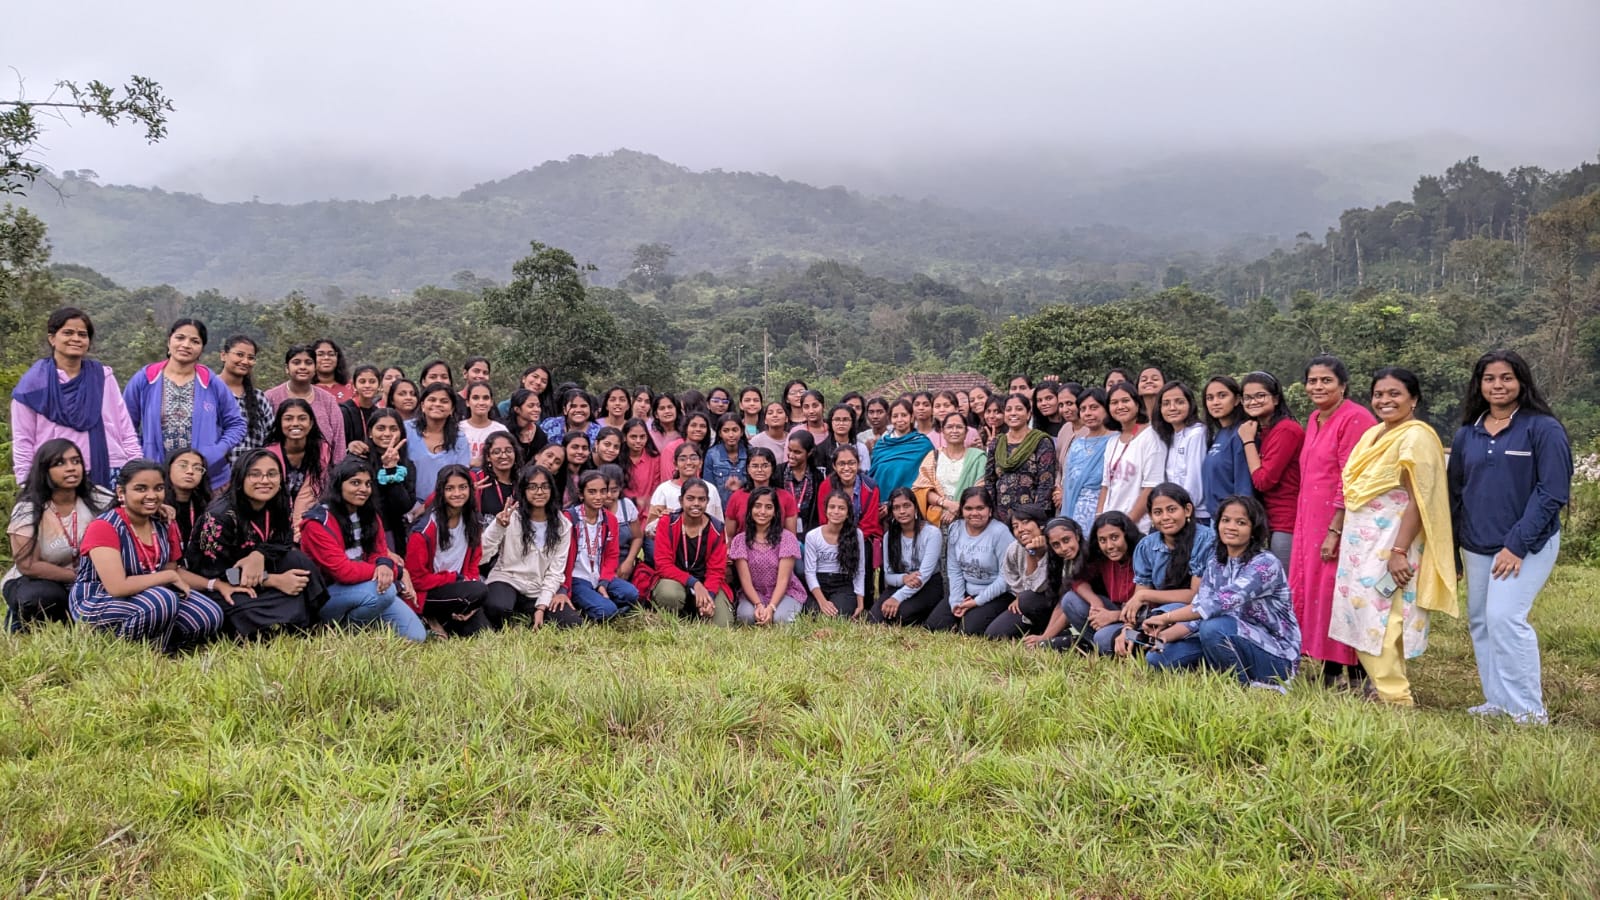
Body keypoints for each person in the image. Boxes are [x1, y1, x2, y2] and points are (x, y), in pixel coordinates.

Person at [1449, 350, 1571, 725]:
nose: (1497, 385)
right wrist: (1452, 549)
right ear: (1479, 384)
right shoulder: (1468, 433)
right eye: (1489, 378)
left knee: (1505, 618)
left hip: (1526, 544)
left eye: (1506, 378)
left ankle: (1529, 711)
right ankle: (1497, 701)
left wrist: (1516, 544)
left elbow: (1552, 492)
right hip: (1477, 543)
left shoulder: (1542, 428)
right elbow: (1455, 494)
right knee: (1481, 620)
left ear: (1521, 382)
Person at [1329, 368, 1457, 707]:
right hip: (1361, 544)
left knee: (1384, 618)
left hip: (1392, 541)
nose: (1385, 400)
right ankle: (1387, 690)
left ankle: (1396, 698)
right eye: (1379, 394)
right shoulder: (1373, 435)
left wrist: (1399, 550)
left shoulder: (1417, 437)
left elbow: (1420, 499)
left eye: (1394, 393)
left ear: (1413, 399)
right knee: (1362, 613)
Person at [1140, 495, 1301, 688]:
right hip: (1229, 636)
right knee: (1158, 658)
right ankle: (1217, 666)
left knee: (1213, 627)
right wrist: (1164, 636)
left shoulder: (1265, 564)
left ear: (1253, 530)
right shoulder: (1216, 562)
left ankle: (1238, 687)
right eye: (1225, 520)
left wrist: (1166, 618)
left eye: (1240, 522)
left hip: (1276, 656)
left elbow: (1216, 604)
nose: (1231, 527)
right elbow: (1198, 613)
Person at [69, 459, 224, 653]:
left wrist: (207, 583)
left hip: (151, 594)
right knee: (161, 601)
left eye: (158, 488)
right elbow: (117, 587)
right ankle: (116, 647)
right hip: (99, 597)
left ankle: (161, 646)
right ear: (121, 493)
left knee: (209, 613)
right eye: (141, 489)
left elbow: (170, 568)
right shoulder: (105, 526)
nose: (152, 495)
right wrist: (168, 577)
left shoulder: (164, 522)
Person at [1289, 356, 1377, 690]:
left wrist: (1335, 529)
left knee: (1338, 594)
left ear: (1343, 385)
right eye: (1312, 381)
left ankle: (1357, 675)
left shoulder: (1356, 418)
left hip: (1341, 521)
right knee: (1315, 593)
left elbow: (1350, 477)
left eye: (1326, 381)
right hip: (1309, 519)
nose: (1318, 387)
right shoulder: (1314, 418)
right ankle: (1328, 669)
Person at [184, 448, 323, 640]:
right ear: (241, 478)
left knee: (298, 561)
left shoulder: (278, 501)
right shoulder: (219, 516)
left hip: (257, 570)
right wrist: (273, 580)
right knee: (244, 608)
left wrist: (258, 555)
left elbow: (284, 539)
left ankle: (309, 619)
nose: (264, 481)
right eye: (255, 474)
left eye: (272, 474)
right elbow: (214, 572)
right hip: (220, 584)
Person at [11, 307, 142, 489]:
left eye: (82, 334)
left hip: (109, 469)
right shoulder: (33, 385)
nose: (76, 339)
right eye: (68, 332)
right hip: (55, 474)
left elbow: (125, 429)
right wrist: (25, 484)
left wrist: (136, 470)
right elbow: (23, 439)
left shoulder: (102, 377)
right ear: (52, 338)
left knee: (106, 519)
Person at [299, 459, 426, 641]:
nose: (363, 489)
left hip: (365, 587)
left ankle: (362, 622)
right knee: (386, 592)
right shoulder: (317, 522)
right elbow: (343, 572)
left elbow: (379, 552)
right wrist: (392, 571)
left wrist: (384, 564)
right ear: (338, 485)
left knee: (416, 637)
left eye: (367, 484)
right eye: (355, 483)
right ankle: (344, 633)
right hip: (325, 595)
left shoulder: (369, 515)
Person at [123, 319, 247, 490]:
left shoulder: (211, 382)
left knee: (206, 517)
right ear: (169, 341)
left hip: (207, 479)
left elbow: (237, 424)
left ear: (202, 348)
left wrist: (216, 451)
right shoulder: (146, 378)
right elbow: (125, 426)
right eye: (180, 338)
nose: (186, 345)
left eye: (195, 341)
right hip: (156, 477)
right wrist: (140, 456)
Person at [3, 439, 111, 631]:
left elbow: (132, 507)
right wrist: (76, 577)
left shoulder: (97, 498)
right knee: (37, 598)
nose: (71, 468)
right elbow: (28, 565)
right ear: (44, 470)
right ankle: (21, 622)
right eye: (60, 463)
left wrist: (161, 508)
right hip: (39, 580)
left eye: (76, 461)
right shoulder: (29, 508)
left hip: (88, 582)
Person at [1114, 483, 1216, 669]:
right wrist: (1126, 629)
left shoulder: (1206, 540)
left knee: (1156, 659)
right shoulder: (1147, 546)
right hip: (1157, 621)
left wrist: (1146, 596)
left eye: (1171, 509)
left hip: (1193, 616)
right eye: (1158, 512)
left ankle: (1198, 652)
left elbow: (1195, 596)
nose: (1165, 517)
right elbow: (1138, 601)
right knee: (1106, 639)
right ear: (1151, 517)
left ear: (1187, 510)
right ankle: (1151, 641)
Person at [481, 465, 581, 629]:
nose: (539, 492)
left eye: (544, 486)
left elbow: (556, 571)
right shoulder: (511, 516)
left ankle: (530, 611)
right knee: (497, 607)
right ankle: (513, 608)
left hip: (538, 587)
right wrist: (498, 527)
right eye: (532, 487)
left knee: (571, 623)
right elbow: (482, 555)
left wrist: (542, 606)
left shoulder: (563, 525)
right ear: (523, 491)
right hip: (507, 579)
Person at [405, 465, 491, 638]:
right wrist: (455, 579)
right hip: (427, 592)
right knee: (479, 591)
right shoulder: (424, 531)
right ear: (441, 492)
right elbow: (416, 581)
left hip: (458, 588)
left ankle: (445, 619)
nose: (457, 493)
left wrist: (469, 594)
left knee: (482, 632)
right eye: (450, 488)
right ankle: (430, 617)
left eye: (463, 487)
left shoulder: (474, 522)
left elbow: (474, 564)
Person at [925, 486, 1016, 635]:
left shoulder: (1000, 533)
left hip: (996, 593)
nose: (974, 513)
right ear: (961, 510)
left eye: (980, 508)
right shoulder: (956, 528)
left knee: (969, 629)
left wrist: (976, 602)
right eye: (968, 508)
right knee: (935, 625)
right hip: (966, 591)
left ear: (990, 510)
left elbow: (1006, 578)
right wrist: (956, 600)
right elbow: (954, 570)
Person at [1237, 371, 1302, 564]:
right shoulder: (1264, 430)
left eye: (1260, 396)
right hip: (1270, 519)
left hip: (1286, 520)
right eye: (1248, 397)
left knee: (1284, 585)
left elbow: (1263, 480)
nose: (1253, 401)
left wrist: (1247, 441)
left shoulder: (1286, 430)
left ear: (1275, 399)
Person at [650, 479, 734, 626]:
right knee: (669, 594)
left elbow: (716, 571)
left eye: (701, 499)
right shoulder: (667, 522)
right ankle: (679, 613)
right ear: (681, 501)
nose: (696, 503)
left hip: (707, 582)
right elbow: (663, 565)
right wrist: (694, 583)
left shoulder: (717, 528)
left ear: (707, 502)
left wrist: (710, 596)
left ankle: (701, 608)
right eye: (690, 498)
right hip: (674, 580)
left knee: (723, 624)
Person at [563, 470, 642, 621]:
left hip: (600, 575)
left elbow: (612, 555)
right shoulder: (569, 518)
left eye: (603, 491)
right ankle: (595, 606)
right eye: (592, 492)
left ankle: (599, 602)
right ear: (581, 495)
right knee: (607, 611)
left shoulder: (610, 519)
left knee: (631, 594)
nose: (598, 497)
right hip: (576, 577)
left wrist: (603, 583)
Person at [1064, 512, 1143, 654]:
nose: (1109, 546)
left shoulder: (1142, 554)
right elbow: (1077, 580)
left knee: (1102, 637)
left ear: (1126, 534)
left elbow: (1149, 609)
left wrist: (1113, 616)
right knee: (1070, 600)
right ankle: (1100, 646)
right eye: (1102, 540)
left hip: (1142, 622)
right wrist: (1096, 603)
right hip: (1116, 615)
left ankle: (1113, 645)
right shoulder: (1101, 556)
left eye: (1114, 537)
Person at [1022, 516, 1103, 650]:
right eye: (1056, 545)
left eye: (1066, 540)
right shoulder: (1066, 562)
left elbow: (1070, 604)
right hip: (1079, 616)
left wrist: (1046, 638)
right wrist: (1046, 635)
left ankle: (1088, 642)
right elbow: (1061, 603)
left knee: (1047, 645)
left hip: (1097, 616)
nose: (1063, 548)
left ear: (1077, 535)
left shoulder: (1089, 559)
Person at [730, 486, 806, 625]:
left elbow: (783, 580)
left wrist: (771, 607)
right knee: (746, 617)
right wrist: (758, 604)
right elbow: (745, 581)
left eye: (769, 507)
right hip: (754, 594)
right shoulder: (740, 540)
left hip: (785, 593)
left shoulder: (787, 538)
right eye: (757, 506)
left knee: (780, 620)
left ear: (775, 512)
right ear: (750, 509)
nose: (762, 512)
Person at [871, 487, 945, 626]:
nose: (902, 511)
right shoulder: (889, 536)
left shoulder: (932, 533)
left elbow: (924, 575)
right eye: (896, 508)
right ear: (892, 512)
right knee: (875, 618)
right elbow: (888, 576)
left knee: (898, 616)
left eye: (906, 506)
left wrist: (897, 598)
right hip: (902, 582)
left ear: (915, 508)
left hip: (927, 585)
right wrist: (904, 578)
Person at [1098, 381, 1165, 531]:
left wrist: (1127, 525)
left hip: (1137, 528)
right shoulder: (1112, 441)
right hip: (1110, 525)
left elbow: (1151, 488)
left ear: (1137, 403)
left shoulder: (1151, 437)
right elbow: (1105, 485)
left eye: (1125, 400)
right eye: (1114, 402)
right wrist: (1099, 519)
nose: (1120, 406)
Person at [983, 504, 1057, 639]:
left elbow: (1038, 587)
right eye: (1015, 526)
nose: (1020, 529)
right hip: (1027, 600)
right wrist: (1018, 596)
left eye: (1025, 522)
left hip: (1055, 601)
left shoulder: (1055, 545)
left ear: (1040, 525)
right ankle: (1033, 627)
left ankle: (1050, 631)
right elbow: (1012, 576)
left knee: (1028, 599)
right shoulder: (1014, 549)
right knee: (994, 634)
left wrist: (1033, 554)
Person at [816, 444, 882, 597]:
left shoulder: (870, 486)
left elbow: (870, 523)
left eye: (851, 463)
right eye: (841, 464)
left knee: (864, 548)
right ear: (834, 465)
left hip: (862, 536)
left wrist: (850, 538)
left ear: (858, 463)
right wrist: (837, 537)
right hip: (832, 534)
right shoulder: (826, 486)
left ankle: (865, 597)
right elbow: (823, 517)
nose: (847, 468)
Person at [985, 392, 1057, 526]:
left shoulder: (1041, 441)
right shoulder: (997, 442)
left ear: (1029, 414)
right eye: (1008, 409)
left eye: (1019, 409)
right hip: (1001, 516)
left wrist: (1037, 516)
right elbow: (990, 480)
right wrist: (992, 513)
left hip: (1030, 516)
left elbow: (1046, 482)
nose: (1013, 413)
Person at [348, 408, 416, 547]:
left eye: (393, 429)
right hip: (357, 530)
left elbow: (403, 506)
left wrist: (390, 469)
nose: (387, 434)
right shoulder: (356, 461)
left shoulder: (406, 465)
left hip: (390, 532)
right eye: (380, 428)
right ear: (370, 433)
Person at [262, 399, 332, 522]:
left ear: (310, 424)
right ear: (280, 423)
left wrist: (299, 527)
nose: (295, 423)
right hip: (274, 516)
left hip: (309, 516)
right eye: (288, 419)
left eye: (302, 418)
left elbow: (310, 493)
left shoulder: (322, 450)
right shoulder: (269, 453)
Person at [914, 411, 987, 527]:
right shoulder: (933, 456)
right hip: (937, 519)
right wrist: (947, 504)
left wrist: (959, 507)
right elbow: (922, 489)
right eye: (949, 427)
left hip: (970, 518)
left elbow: (981, 488)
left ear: (966, 431)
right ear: (942, 431)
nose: (954, 431)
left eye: (959, 427)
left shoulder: (977, 457)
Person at [1200, 376, 1253, 532]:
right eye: (1210, 398)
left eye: (1222, 396)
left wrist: (1237, 521)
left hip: (1232, 522)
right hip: (1215, 519)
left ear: (1237, 400)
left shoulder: (1242, 433)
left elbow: (1244, 487)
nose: (1215, 402)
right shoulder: (1219, 434)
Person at [1056, 387, 1114, 529]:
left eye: (1094, 407)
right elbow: (1069, 487)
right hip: (1073, 513)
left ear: (1106, 409)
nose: (1088, 413)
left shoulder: (1115, 441)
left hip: (1104, 515)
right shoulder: (1077, 444)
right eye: (1083, 409)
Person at [803, 492, 865, 619]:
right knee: (812, 614)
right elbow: (809, 572)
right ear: (825, 510)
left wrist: (860, 601)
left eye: (841, 508)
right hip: (819, 583)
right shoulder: (812, 536)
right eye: (832, 507)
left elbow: (860, 570)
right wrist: (822, 602)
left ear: (848, 513)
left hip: (843, 583)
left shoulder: (857, 535)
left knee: (838, 615)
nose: (836, 511)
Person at [404, 383, 471, 500]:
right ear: (423, 405)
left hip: (444, 505)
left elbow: (459, 478)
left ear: (452, 409)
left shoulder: (459, 438)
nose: (437, 404)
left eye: (444, 401)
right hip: (406, 503)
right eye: (432, 400)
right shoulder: (406, 430)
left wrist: (426, 506)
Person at [1153, 382, 1208, 523]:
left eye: (1179, 402)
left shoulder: (1197, 433)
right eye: (1166, 403)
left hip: (1194, 515)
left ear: (1190, 404)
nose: (1172, 408)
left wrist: (1183, 510)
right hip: (1174, 513)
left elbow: (1194, 479)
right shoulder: (1169, 436)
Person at [217, 335, 274, 470]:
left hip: (253, 479)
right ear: (223, 355)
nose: (245, 361)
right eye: (239, 355)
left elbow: (271, 440)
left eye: (251, 358)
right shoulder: (207, 391)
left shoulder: (259, 398)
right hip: (215, 478)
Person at [723, 447, 800, 538]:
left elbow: (791, 537)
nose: (760, 470)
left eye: (765, 466)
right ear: (748, 469)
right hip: (744, 549)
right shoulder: (736, 497)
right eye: (755, 466)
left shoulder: (786, 497)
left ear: (773, 468)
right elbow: (730, 536)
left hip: (778, 550)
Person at [870, 399, 935, 500]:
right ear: (890, 419)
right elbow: (873, 474)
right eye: (895, 416)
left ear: (912, 418)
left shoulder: (923, 444)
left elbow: (929, 475)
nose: (899, 420)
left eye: (904, 415)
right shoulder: (881, 444)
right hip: (881, 503)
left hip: (910, 502)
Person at [162, 448, 213, 548]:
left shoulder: (207, 507)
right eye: (183, 465)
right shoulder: (158, 507)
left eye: (197, 468)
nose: (190, 471)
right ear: (169, 468)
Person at [783, 431, 824, 536]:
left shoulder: (816, 476)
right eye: (789, 450)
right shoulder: (778, 473)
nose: (791, 455)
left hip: (809, 531)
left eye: (797, 452)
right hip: (782, 531)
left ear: (809, 452)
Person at [460, 382, 509, 467]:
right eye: (475, 398)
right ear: (467, 402)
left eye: (485, 398)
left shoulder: (500, 430)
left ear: (491, 402)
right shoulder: (459, 428)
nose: (481, 402)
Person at [474, 432, 521, 519]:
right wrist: (471, 493)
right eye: (496, 452)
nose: (503, 456)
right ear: (488, 457)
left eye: (509, 451)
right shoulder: (479, 481)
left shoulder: (523, 481)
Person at [340, 365, 383, 456]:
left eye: (372, 382)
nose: (367, 386)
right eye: (362, 382)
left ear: (379, 386)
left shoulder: (378, 413)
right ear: (354, 386)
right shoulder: (344, 411)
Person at [620, 417, 663, 506]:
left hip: (648, 509)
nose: (638, 441)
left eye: (642, 437)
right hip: (624, 510)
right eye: (633, 437)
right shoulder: (618, 458)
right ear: (625, 437)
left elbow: (656, 486)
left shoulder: (654, 458)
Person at [817, 403, 870, 472]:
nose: (841, 423)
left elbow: (866, 474)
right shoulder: (820, 450)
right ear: (831, 422)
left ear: (852, 423)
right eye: (837, 419)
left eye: (845, 420)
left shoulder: (861, 448)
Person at [706, 413, 750, 495]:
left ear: (742, 432)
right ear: (720, 433)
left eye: (735, 430)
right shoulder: (711, 455)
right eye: (726, 431)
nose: (731, 435)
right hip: (721, 505)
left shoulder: (750, 452)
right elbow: (709, 487)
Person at [504, 388, 549, 463]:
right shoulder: (503, 429)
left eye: (538, 406)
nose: (537, 409)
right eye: (531, 406)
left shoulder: (540, 435)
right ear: (517, 409)